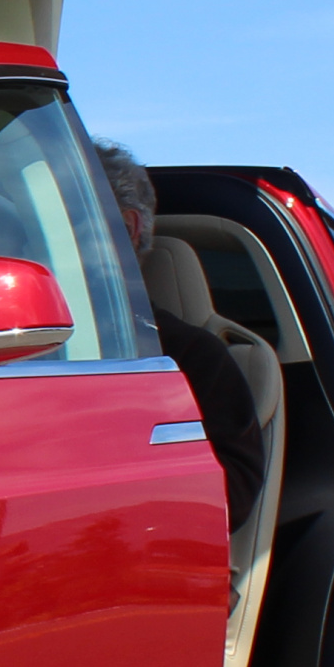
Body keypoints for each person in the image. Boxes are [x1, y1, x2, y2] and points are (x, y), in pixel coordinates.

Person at [92, 142, 265, 533]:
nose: (24, 242)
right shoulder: (10, 341)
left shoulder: (188, 357)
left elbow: (230, 499)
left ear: (126, 230)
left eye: (58, 220)